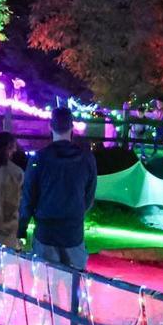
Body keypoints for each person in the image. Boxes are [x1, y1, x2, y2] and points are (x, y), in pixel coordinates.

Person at [18, 106, 99, 270]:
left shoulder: (39, 159)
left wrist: (21, 229)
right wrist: (76, 211)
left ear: (50, 126)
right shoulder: (86, 158)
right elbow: (89, 195)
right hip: (73, 231)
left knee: (47, 287)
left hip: (46, 232)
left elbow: (28, 198)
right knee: (76, 286)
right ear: (72, 126)